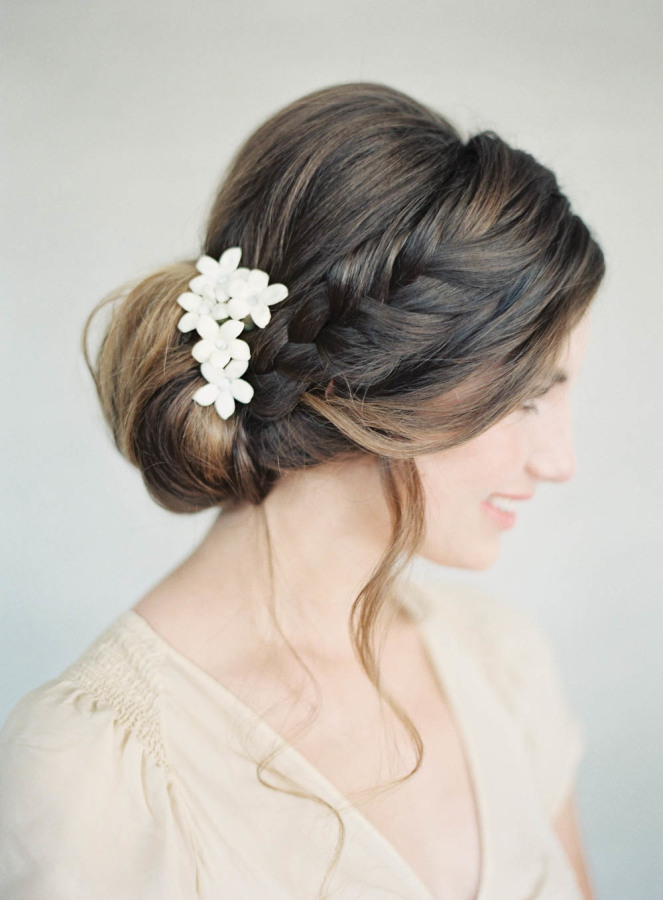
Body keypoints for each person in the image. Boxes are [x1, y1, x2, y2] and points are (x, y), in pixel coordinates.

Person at [0, 82, 604, 900]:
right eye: (527, 397)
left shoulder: (500, 662)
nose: (559, 460)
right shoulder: (84, 773)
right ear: (380, 378)